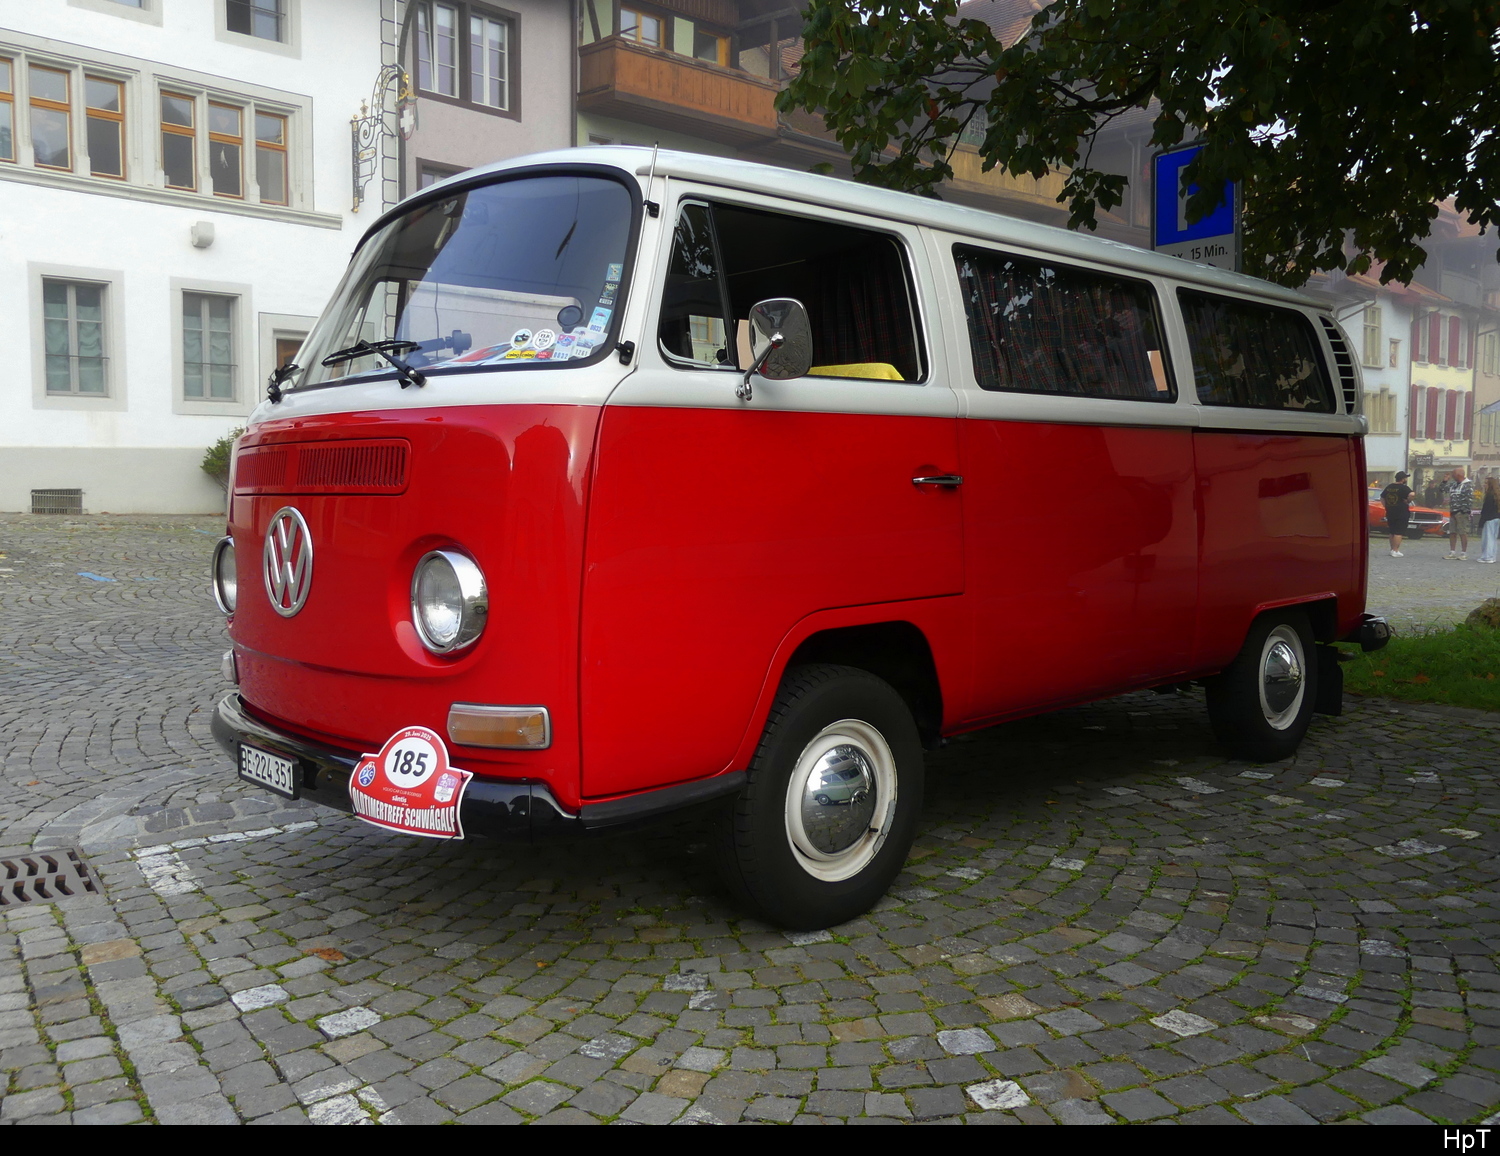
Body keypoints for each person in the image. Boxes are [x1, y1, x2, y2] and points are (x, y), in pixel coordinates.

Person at [1380, 471, 1414, 557]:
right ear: (1403, 479)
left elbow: (1382, 497)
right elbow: (1412, 494)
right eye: (1405, 478)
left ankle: (1392, 549)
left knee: (1392, 531)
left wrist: (1386, 506)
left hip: (1390, 511)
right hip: (1401, 512)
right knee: (1399, 532)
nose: (1406, 479)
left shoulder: (1389, 487)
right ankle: (1395, 550)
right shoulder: (1404, 488)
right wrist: (1408, 501)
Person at [1446, 467, 1474, 560]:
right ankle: (1452, 552)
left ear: (1458, 475)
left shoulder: (1468, 485)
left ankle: (1463, 553)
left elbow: (1469, 500)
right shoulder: (1454, 484)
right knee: (1452, 532)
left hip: (1462, 513)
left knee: (1463, 532)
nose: (1452, 476)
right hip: (1453, 511)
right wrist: (1444, 481)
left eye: (1453, 474)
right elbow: (1443, 489)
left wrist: (1462, 511)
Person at [1479, 477, 1500, 564]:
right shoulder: (1497, 495)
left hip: (1489, 519)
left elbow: (1486, 509)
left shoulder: (1489, 496)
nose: (1484, 485)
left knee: (1488, 539)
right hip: (1497, 518)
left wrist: (1481, 521)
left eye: (1486, 483)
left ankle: (1487, 557)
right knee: (1493, 538)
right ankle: (1492, 556)